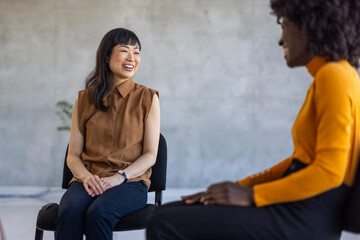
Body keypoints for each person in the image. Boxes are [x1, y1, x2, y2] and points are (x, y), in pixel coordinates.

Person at [146, 0, 360, 239]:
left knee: (164, 223)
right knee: (167, 212)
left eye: (284, 24)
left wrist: (251, 196)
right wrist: (241, 186)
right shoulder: (334, 74)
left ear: (311, 25)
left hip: (306, 216)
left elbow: (330, 172)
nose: (281, 39)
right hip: (302, 208)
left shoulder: (334, 76)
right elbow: (299, 161)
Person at [55, 28, 160, 240]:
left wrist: (118, 178)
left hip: (130, 182)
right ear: (106, 56)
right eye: (124, 50)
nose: (132, 58)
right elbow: (73, 155)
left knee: (99, 213)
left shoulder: (148, 98)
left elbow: (150, 155)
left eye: (137, 52)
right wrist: (86, 177)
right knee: (68, 212)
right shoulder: (84, 100)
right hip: (89, 178)